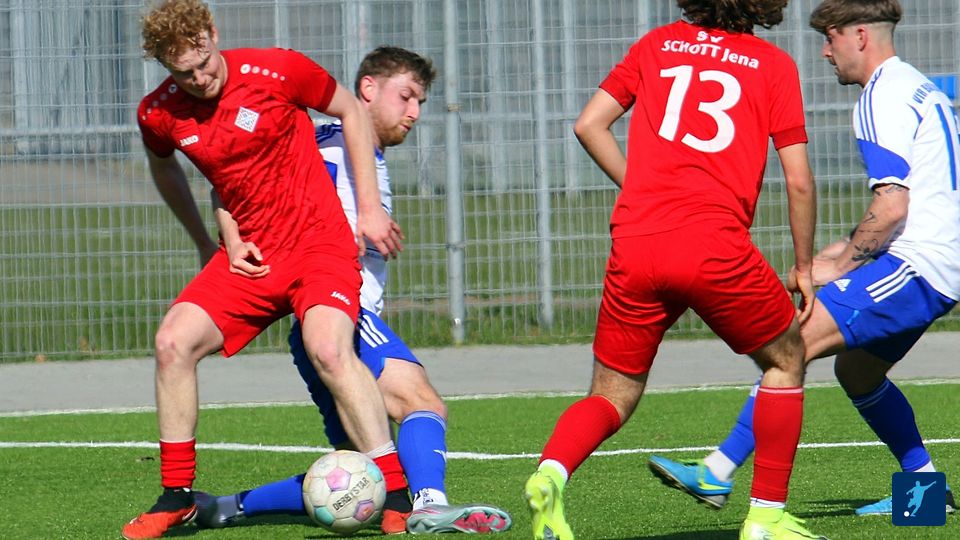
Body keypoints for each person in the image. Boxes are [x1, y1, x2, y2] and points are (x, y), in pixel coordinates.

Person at [523, 0, 825, 539]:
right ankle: (766, 518)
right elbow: (798, 180)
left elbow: (589, 125)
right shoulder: (772, 64)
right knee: (786, 359)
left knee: (610, 395)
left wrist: (643, 192)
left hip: (637, 241)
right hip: (714, 245)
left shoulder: (656, 44)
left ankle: (551, 473)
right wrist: (804, 265)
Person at [647, 0, 960, 519]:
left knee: (790, 346)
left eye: (830, 38)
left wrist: (836, 267)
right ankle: (926, 493)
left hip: (919, 267)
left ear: (860, 36)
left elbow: (892, 206)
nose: (825, 52)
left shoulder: (881, 96)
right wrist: (836, 254)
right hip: (933, 262)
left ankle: (716, 472)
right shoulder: (915, 85)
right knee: (857, 374)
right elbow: (916, 201)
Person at [190, 47, 511, 535]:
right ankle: (428, 505)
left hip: (317, 325)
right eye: (406, 96)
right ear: (367, 90)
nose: (414, 112)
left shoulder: (330, 143)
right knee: (421, 403)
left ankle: (224, 507)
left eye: (420, 102)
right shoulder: (337, 143)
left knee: (358, 477)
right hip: (341, 312)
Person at [122, 2, 408, 538]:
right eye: (183, 73)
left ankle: (396, 494)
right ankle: (178, 497)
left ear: (212, 34)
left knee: (328, 348)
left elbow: (351, 111)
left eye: (203, 63)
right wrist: (209, 240)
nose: (199, 79)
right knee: (172, 342)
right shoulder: (158, 113)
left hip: (319, 245)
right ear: (164, 67)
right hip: (252, 258)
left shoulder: (277, 69)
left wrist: (369, 209)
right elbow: (167, 167)